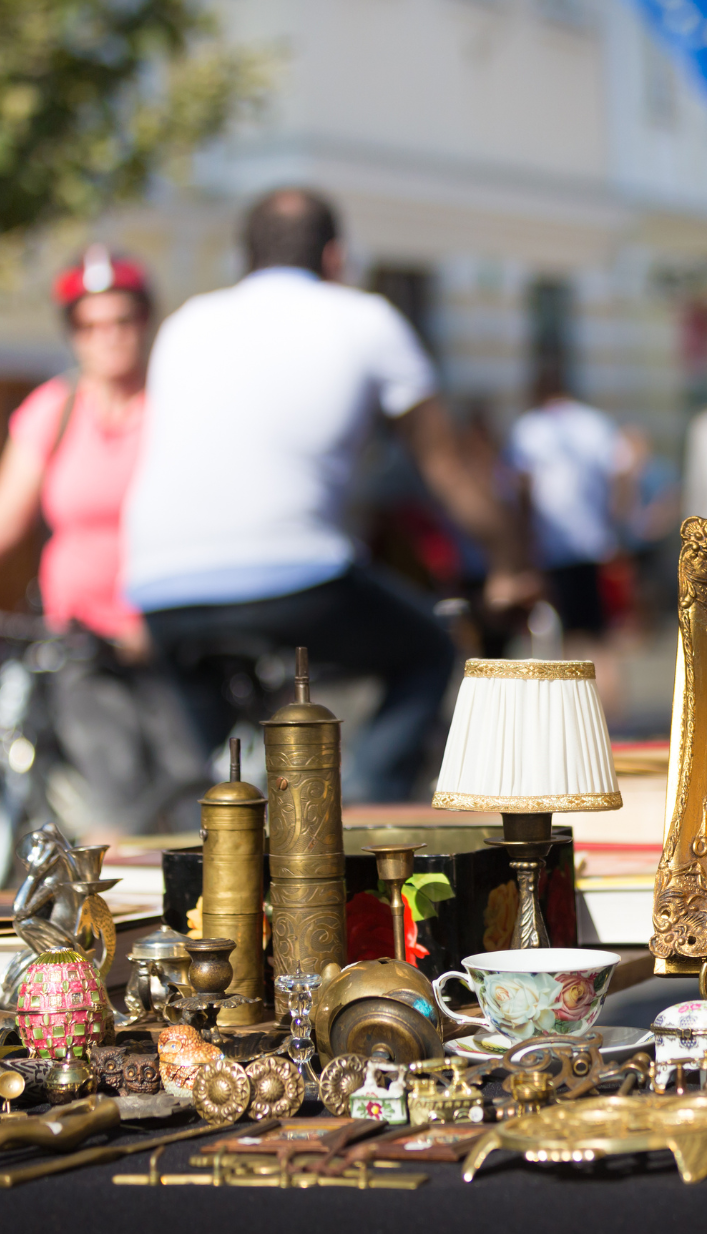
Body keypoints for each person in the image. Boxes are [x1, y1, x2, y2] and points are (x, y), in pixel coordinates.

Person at [124, 189, 538, 802]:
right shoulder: (366, 319)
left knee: (224, 787)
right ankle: (367, 817)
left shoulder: (187, 322)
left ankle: (218, 854)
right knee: (427, 650)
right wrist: (512, 564)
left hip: (160, 585)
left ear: (246, 257)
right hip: (295, 577)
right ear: (336, 257)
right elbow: (445, 467)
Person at [0, 247, 205, 836]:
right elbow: (1, 516)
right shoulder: (54, 410)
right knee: (116, 812)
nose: (109, 338)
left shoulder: (179, 406)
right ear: (73, 334)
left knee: (194, 803)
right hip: (80, 645)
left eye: (123, 321)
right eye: (91, 326)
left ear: (145, 323)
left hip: (174, 643)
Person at [507, 366, 635, 642]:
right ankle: (605, 686)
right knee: (601, 636)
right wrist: (617, 519)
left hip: (552, 545)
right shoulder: (594, 422)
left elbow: (521, 487)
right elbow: (624, 470)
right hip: (596, 543)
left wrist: (524, 538)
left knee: (567, 637)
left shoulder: (530, 427)